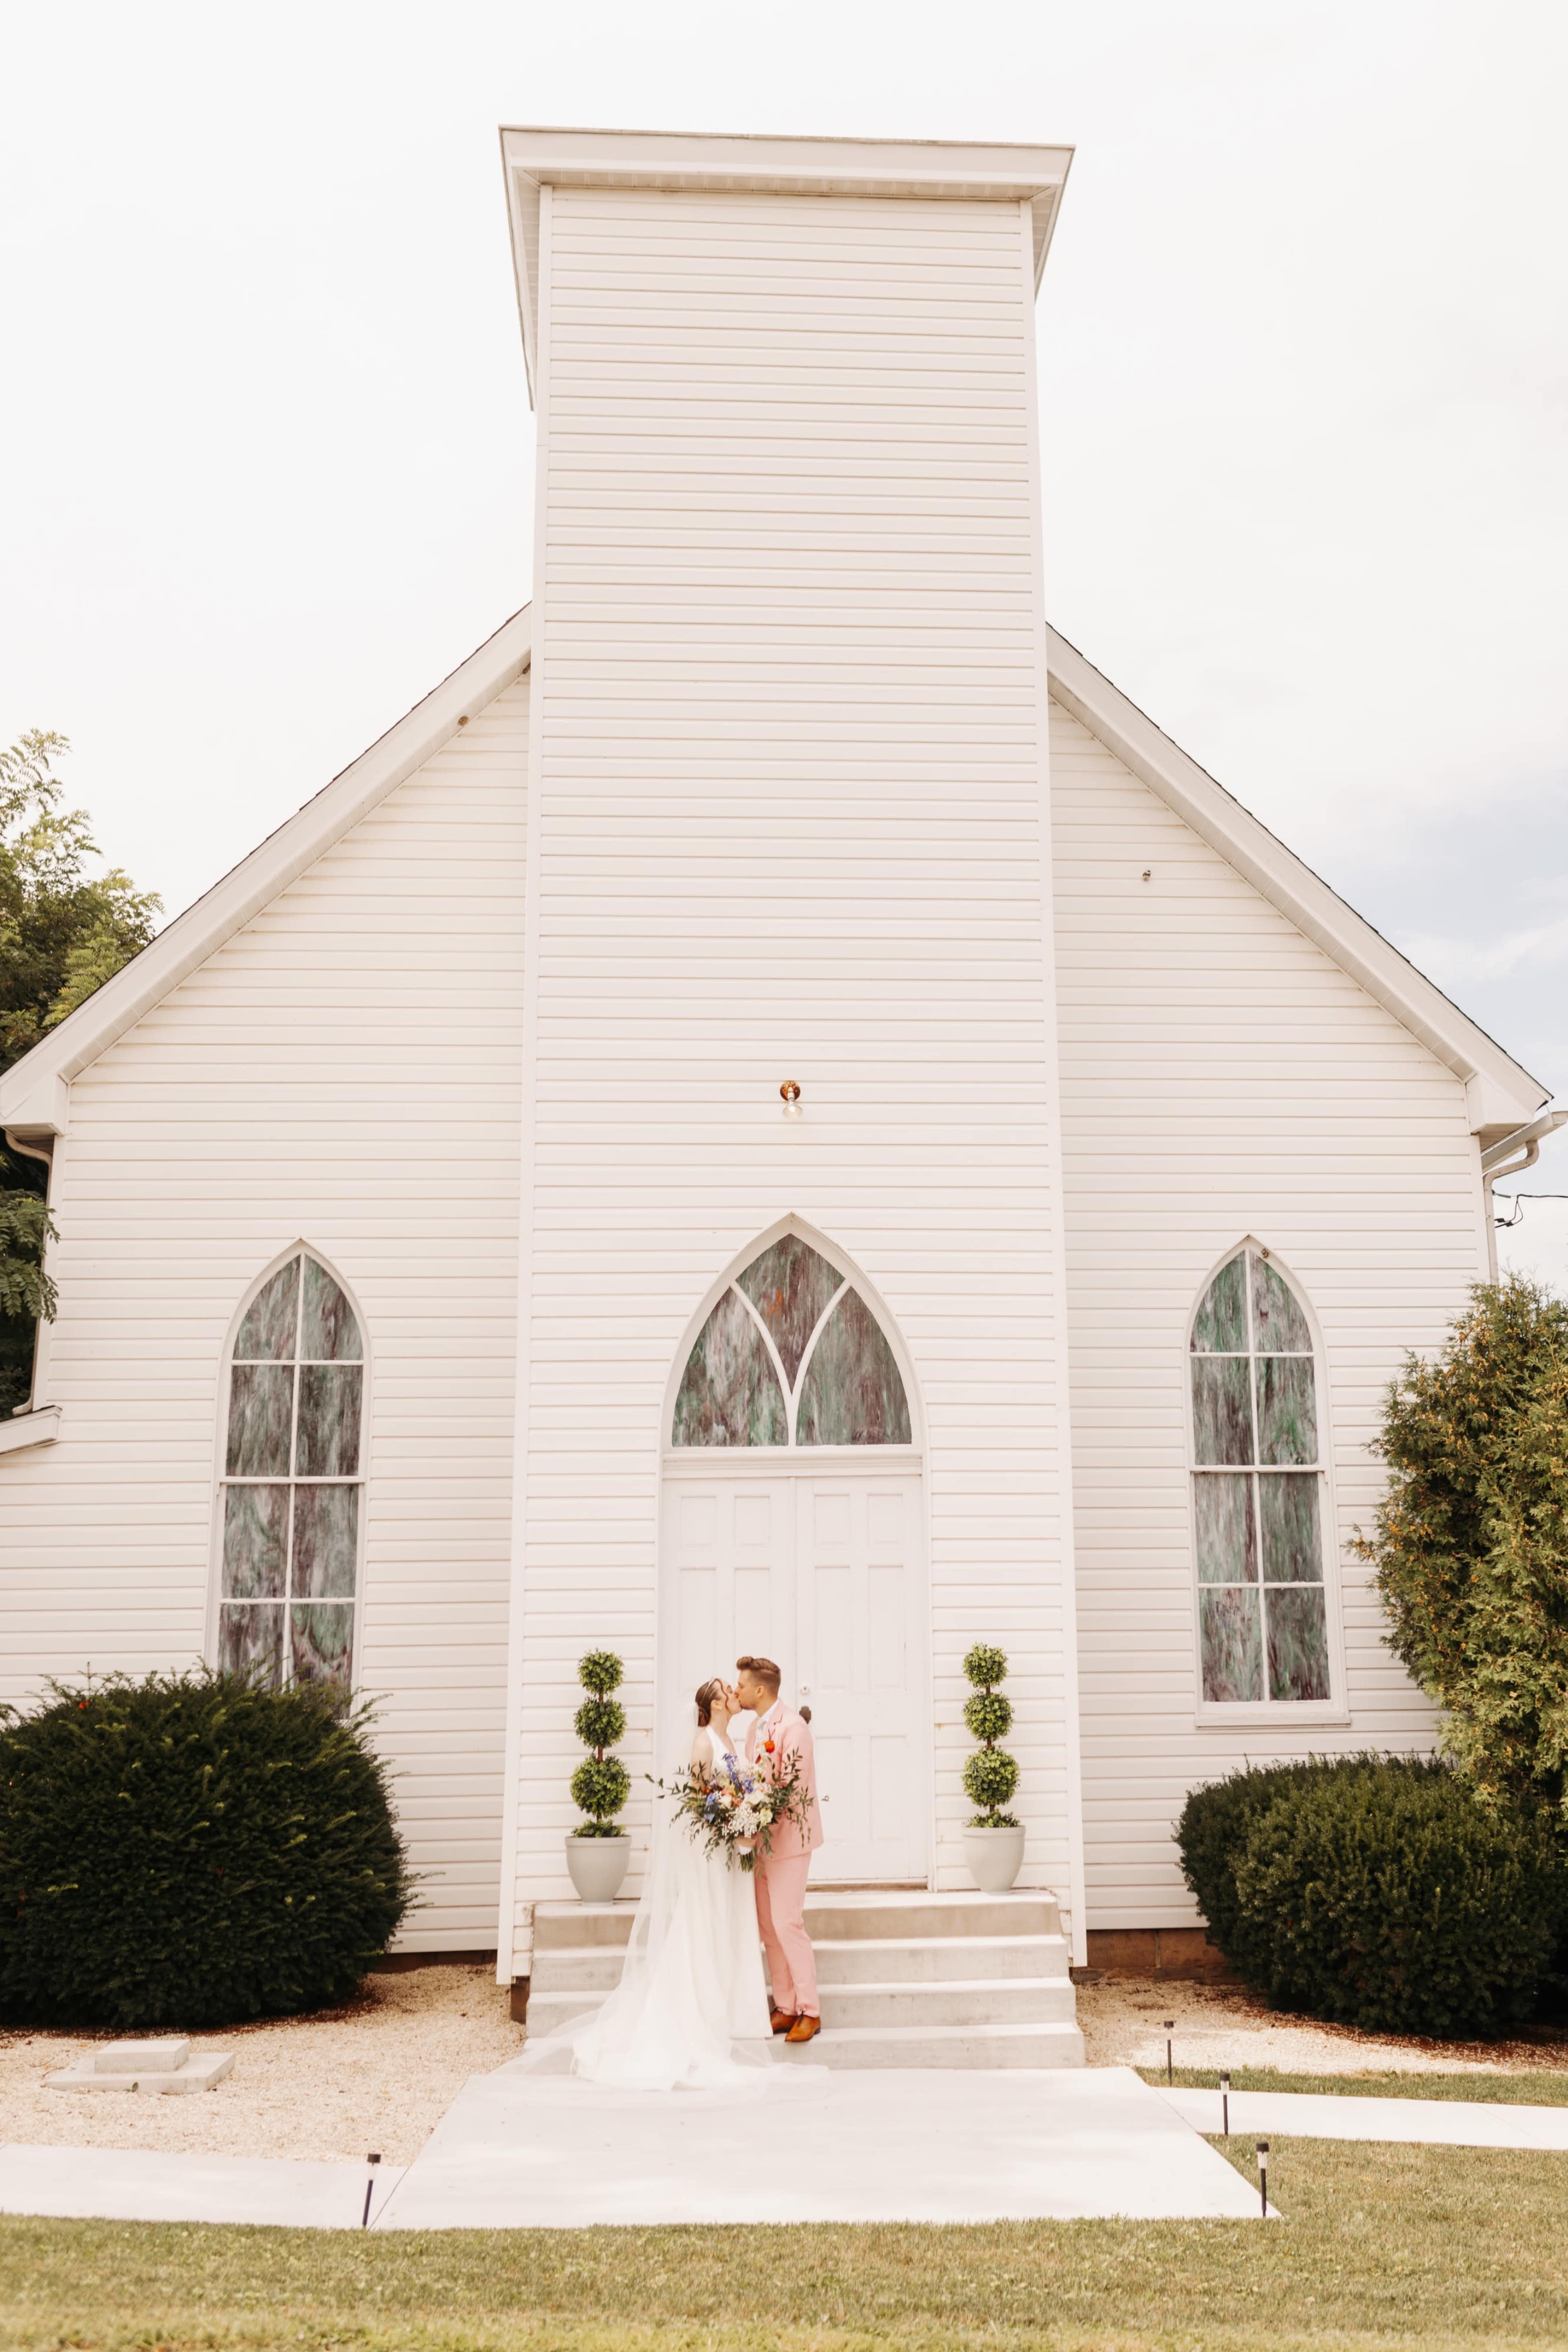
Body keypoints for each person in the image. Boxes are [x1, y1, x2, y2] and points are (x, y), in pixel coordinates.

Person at [537, 1676, 773, 2089]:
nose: (737, 1695)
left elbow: (730, 1794)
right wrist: (732, 1827)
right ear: (715, 1705)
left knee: (723, 1922)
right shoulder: (703, 1742)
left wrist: (748, 1820)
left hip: (730, 1849)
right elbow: (700, 1802)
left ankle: (726, 2005)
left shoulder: (729, 1743)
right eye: (729, 1693)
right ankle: (694, 2010)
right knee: (703, 1921)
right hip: (713, 1848)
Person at [735, 1654, 824, 2044]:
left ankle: (811, 2010)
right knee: (768, 1928)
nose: (737, 1691)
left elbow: (791, 1789)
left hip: (789, 1842)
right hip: (760, 1842)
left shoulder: (795, 1727)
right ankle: (786, 2006)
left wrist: (759, 1813)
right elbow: (754, 1780)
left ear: (760, 1689)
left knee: (788, 1923)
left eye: (741, 1686)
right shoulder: (755, 1730)